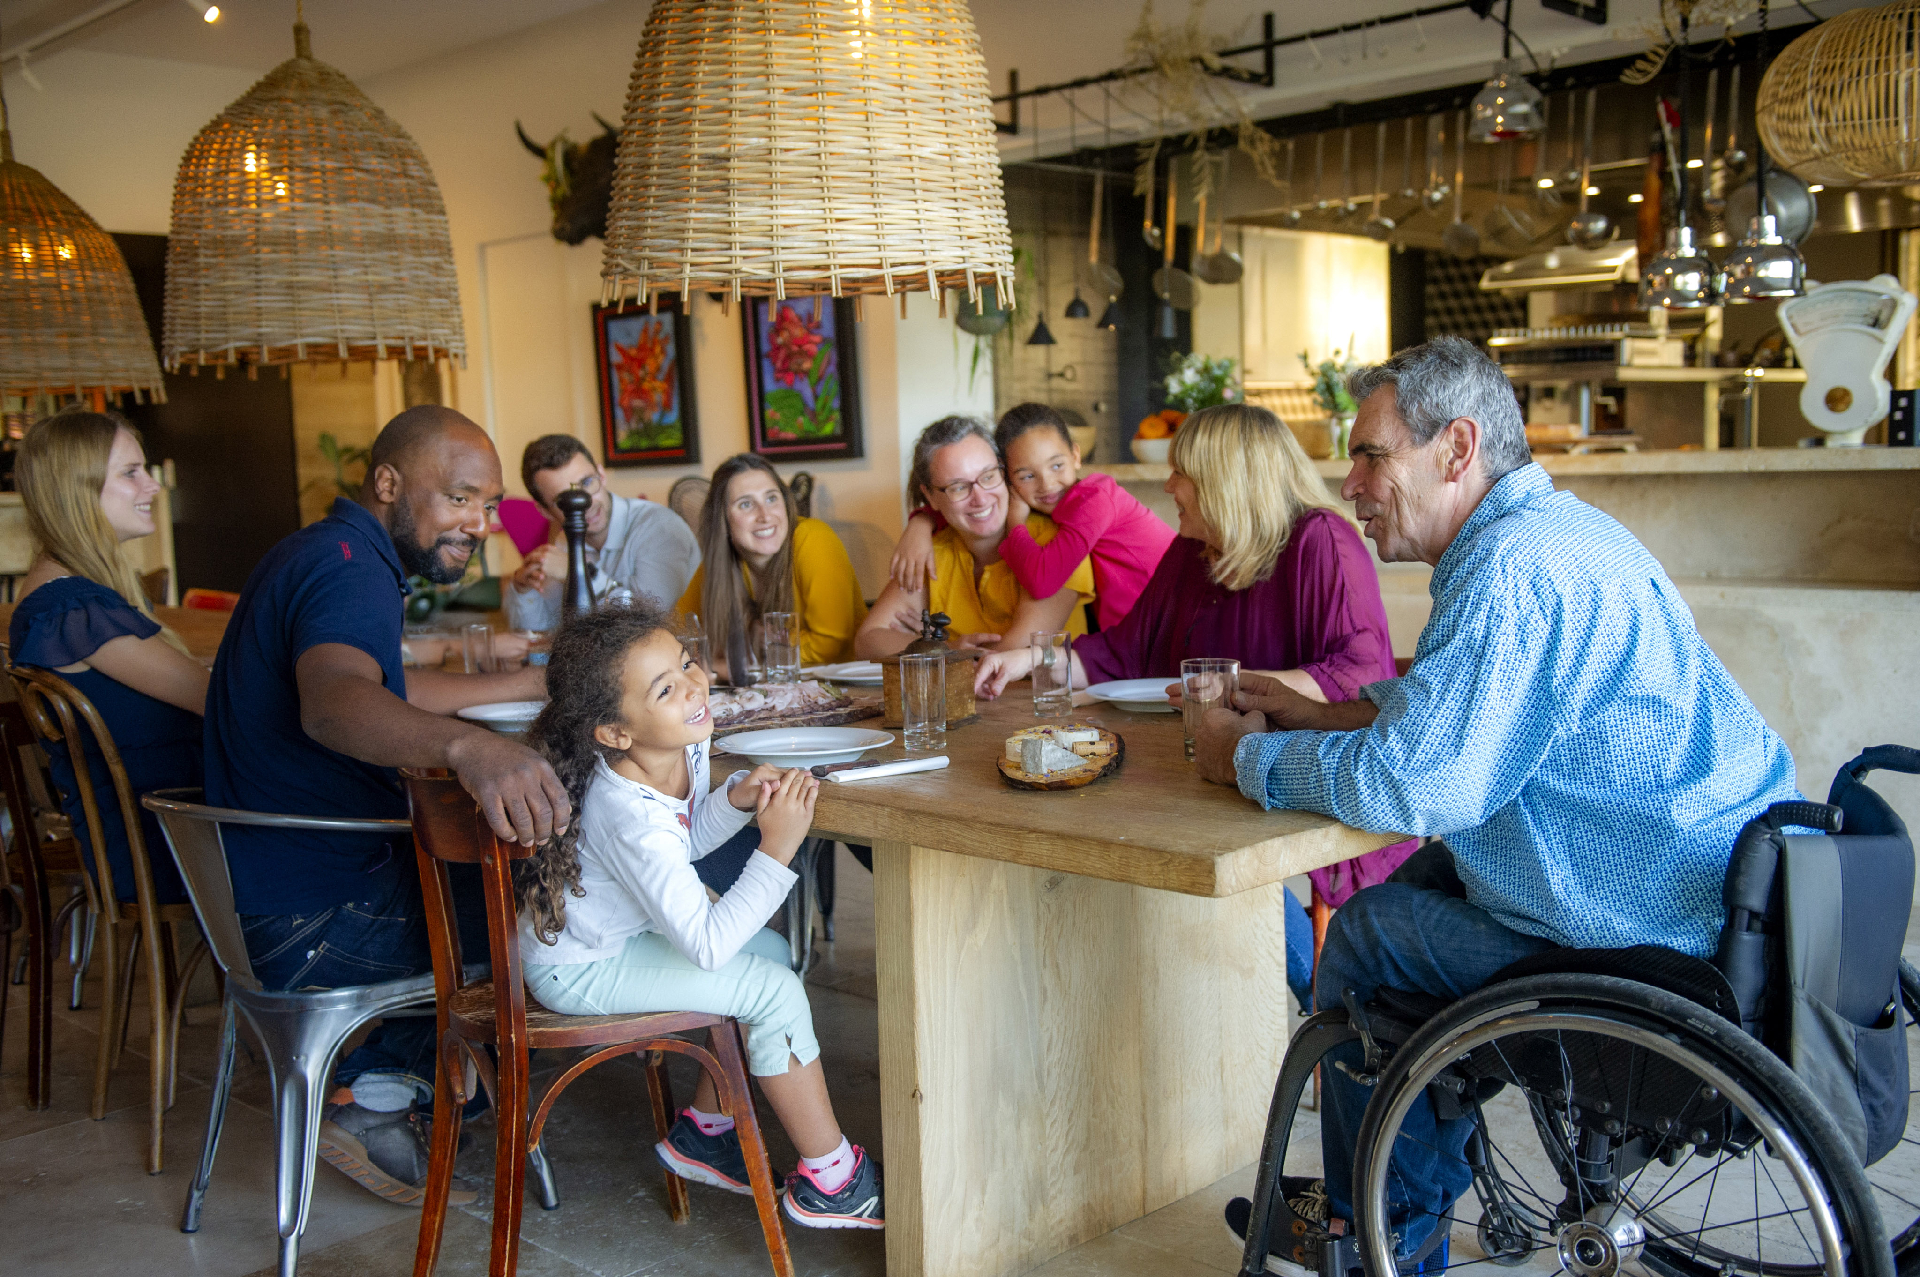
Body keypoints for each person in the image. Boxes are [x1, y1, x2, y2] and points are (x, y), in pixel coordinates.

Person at [1192, 338, 1803, 1274]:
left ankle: (1377, 1222)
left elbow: (1414, 784)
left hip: (1638, 942)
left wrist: (1250, 757)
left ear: (1456, 447)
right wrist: (1327, 713)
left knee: (1367, 934)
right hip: (1719, 895)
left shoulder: (1509, 574)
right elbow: (1470, 706)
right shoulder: (1567, 533)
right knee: (1428, 882)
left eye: (1370, 454)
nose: (1348, 482)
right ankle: (1408, 1180)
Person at [205, 405, 570, 1206]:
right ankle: (383, 1095)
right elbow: (335, 702)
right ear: (389, 483)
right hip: (317, 917)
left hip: (269, 895)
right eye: (460, 498)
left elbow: (384, 685)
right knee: (547, 906)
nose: (479, 524)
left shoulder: (328, 551)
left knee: (495, 881)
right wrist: (468, 746)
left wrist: (526, 684)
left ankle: (431, 1082)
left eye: (488, 505)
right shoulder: (349, 568)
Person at [973, 403, 1414, 1008]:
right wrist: (1028, 660)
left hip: (1296, 778)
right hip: (1205, 770)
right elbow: (1121, 655)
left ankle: (1326, 1008)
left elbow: (1358, 676)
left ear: (1226, 480)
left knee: (1212, 859)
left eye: (1184, 472)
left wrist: (1239, 686)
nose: (1170, 485)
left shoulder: (1320, 540)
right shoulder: (1192, 551)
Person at [519, 602, 883, 1229]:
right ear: (614, 732)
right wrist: (777, 846)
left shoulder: (679, 745)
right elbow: (706, 946)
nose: (693, 687)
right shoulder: (627, 813)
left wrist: (734, 801)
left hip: (617, 941)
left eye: (687, 665)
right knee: (769, 987)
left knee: (770, 957)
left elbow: (679, 841)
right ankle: (832, 1179)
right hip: (578, 968)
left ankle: (705, 1133)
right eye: (666, 688)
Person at [8, 409, 207, 912]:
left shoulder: (71, 601)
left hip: (170, 825)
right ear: (76, 490)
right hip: (164, 842)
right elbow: (218, 699)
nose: (153, 487)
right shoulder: (72, 612)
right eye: (130, 473)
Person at [888, 403, 1175, 630]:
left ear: (1076, 455)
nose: (1047, 484)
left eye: (1057, 465)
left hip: (1174, 617)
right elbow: (963, 506)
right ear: (1008, 480)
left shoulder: (1095, 500)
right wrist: (921, 522)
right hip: (1137, 632)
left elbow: (1042, 582)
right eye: (1027, 475)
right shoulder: (1056, 505)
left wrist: (1015, 524)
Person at [854, 415, 1094, 659]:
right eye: (958, 487)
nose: (980, 499)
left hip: (1052, 696)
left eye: (988, 476)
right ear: (931, 497)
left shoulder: (1056, 541)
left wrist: (928, 648)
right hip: (964, 697)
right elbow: (868, 640)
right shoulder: (930, 552)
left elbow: (1020, 649)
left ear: (1005, 473)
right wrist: (947, 647)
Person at [675, 454, 867, 680]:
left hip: (844, 693)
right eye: (746, 504)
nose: (765, 516)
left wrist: (757, 647)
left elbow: (830, 644)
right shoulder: (719, 563)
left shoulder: (813, 538)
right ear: (722, 518)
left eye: (771, 498)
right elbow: (676, 634)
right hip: (768, 696)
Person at [504, 434, 700, 633]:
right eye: (565, 498)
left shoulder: (660, 527)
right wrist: (522, 589)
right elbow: (546, 628)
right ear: (545, 511)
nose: (584, 503)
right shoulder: (565, 541)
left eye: (587, 482)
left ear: (601, 474)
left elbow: (647, 621)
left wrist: (578, 571)